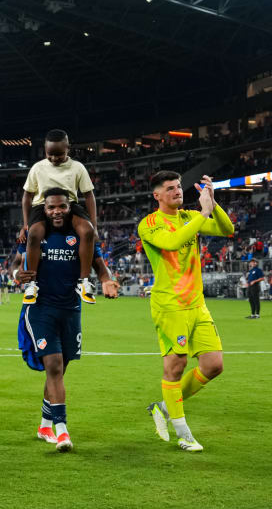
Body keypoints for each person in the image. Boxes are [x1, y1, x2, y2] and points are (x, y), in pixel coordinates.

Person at [16, 188, 121, 451]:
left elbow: (98, 263)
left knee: (60, 370)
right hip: (41, 308)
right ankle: (62, 431)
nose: (56, 212)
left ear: (70, 207)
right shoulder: (37, 233)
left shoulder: (80, 235)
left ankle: (44, 424)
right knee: (53, 364)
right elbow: (18, 264)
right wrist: (19, 275)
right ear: (45, 209)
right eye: (51, 208)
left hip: (71, 308)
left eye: (61, 206)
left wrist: (107, 279)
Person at [140, 173, 233, 452]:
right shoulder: (150, 224)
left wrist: (213, 204)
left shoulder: (188, 216)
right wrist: (202, 214)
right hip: (170, 305)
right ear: (157, 195)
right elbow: (171, 243)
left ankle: (163, 408)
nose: (177, 192)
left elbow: (227, 228)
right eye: (170, 189)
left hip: (197, 303)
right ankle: (183, 434)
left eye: (179, 187)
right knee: (175, 366)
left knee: (214, 365)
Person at [20, 130, 98, 305]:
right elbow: (27, 196)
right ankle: (32, 284)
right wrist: (25, 223)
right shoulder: (38, 168)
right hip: (41, 206)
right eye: (50, 154)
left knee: (87, 232)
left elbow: (89, 196)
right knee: (33, 234)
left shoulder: (77, 167)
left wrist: (95, 225)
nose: (54, 158)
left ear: (68, 148)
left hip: (69, 205)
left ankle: (84, 282)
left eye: (59, 154)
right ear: (44, 150)